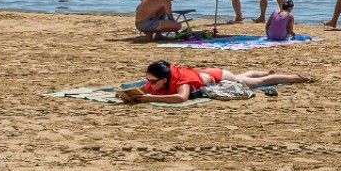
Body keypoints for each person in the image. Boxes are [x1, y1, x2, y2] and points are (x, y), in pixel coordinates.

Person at [120, 61, 310, 104]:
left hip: (218, 77)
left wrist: (148, 99)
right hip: (208, 73)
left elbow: (181, 98)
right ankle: (264, 70)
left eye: (152, 81)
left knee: (258, 82)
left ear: (163, 79)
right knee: (243, 76)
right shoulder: (158, 81)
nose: (149, 84)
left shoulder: (181, 82)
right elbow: (145, 90)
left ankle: (293, 77)